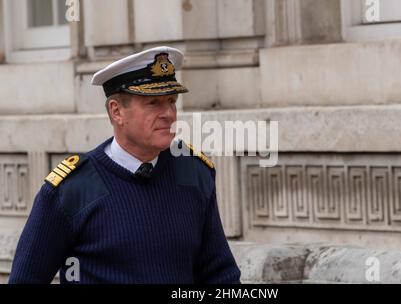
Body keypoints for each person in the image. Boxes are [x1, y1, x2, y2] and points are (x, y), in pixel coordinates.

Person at [9, 46, 241, 284]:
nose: (169, 114)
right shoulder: (71, 190)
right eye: (154, 103)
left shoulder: (194, 173)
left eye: (171, 101)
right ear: (116, 111)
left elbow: (220, 275)